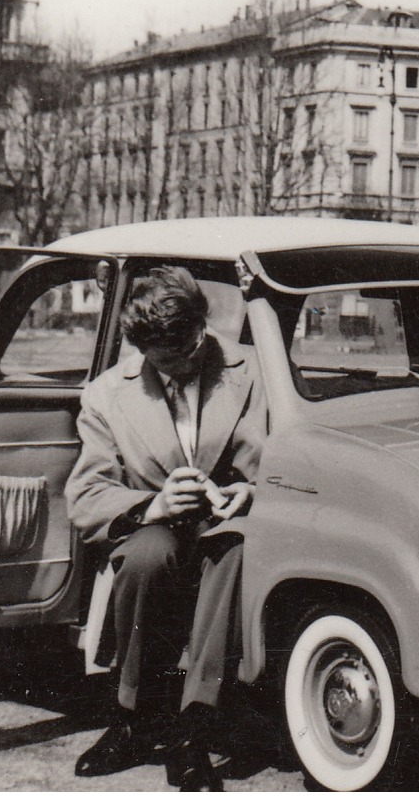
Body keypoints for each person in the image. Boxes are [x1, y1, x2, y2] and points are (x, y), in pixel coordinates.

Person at [66, 266, 267, 791]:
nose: (182, 365)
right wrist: (152, 505)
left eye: (191, 348)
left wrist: (249, 491)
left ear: (202, 325)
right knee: (146, 555)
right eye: (165, 360)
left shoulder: (252, 371)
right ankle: (133, 718)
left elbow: (277, 461)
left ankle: (193, 728)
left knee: (232, 548)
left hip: (227, 523)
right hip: (154, 524)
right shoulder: (107, 394)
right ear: (142, 351)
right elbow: (86, 495)